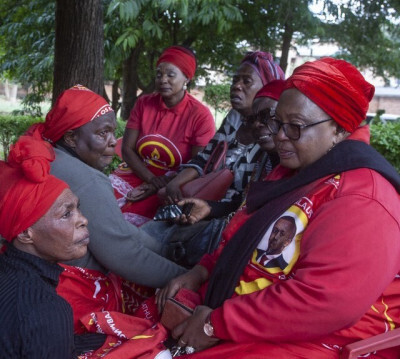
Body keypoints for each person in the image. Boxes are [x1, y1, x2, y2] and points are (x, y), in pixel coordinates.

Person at [157, 57, 400, 358]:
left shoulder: (363, 197)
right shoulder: (296, 171)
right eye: (278, 122)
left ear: (339, 128)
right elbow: (242, 235)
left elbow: (323, 302)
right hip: (244, 315)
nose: (279, 135)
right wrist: (202, 270)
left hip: (318, 338)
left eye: (295, 127)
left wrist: (214, 325)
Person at [26, 85, 187, 332]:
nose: (114, 142)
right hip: (68, 294)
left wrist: (165, 251)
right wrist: (186, 278)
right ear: (71, 138)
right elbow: (123, 254)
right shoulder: (86, 180)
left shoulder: (49, 156)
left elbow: (117, 228)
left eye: (114, 132)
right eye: (103, 134)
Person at [0, 135, 106, 358]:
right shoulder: (46, 308)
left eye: (77, 208)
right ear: (25, 233)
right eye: (66, 214)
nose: (83, 220)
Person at [143, 79, 286, 269]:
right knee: (154, 231)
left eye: (268, 116)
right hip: (221, 212)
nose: (259, 124)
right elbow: (242, 203)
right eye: (253, 118)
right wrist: (208, 207)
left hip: (245, 243)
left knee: (163, 245)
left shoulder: (284, 163)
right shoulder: (265, 158)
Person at [109, 46, 215, 226]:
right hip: (138, 171)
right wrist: (151, 179)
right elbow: (127, 149)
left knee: (132, 224)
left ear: (187, 78)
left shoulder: (200, 115)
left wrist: (161, 185)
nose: (163, 80)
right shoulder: (144, 103)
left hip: (173, 183)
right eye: (159, 74)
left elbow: (200, 163)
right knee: (99, 205)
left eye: (171, 75)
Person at [164, 51, 285, 207]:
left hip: (225, 213)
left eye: (246, 81)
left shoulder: (270, 135)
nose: (236, 86)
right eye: (234, 80)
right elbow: (205, 158)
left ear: (267, 87)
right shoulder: (234, 118)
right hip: (202, 201)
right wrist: (175, 183)